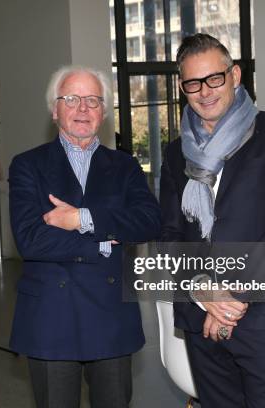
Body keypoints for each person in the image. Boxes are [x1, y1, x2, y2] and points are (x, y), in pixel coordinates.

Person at [159, 34, 265, 407]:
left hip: (264, 318)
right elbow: (169, 234)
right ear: (183, 87)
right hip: (199, 319)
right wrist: (202, 293)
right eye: (193, 83)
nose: (205, 91)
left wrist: (232, 297)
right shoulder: (175, 153)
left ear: (235, 75)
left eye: (215, 78)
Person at [8, 65, 161, 408]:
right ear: (54, 108)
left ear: (104, 113)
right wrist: (105, 243)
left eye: (93, 100)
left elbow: (149, 221)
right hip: (51, 318)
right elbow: (31, 239)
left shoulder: (125, 167)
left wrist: (82, 218)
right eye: (72, 99)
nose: (82, 109)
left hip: (110, 318)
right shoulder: (27, 165)